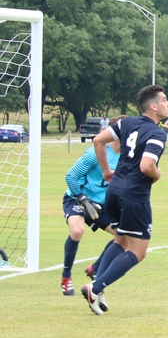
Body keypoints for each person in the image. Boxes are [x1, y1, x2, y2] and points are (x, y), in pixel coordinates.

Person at [81, 85, 168, 315]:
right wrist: (158, 174)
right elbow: (147, 166)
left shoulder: (127, 122)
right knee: (138, 252)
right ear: (153, 106)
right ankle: (96, 287)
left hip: (114, 190)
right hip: (134, 196)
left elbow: (98, 140)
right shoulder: (157, 133)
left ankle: (97, 289)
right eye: (164, 100)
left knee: (120, 241)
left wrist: (105, 171)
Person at [60, 115, 127, 296]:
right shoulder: (95, 153)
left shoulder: (127, 157)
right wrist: (82, 198)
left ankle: (95, 268)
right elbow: (71, 177)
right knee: (77, 231)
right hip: (77, 199)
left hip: (102, 205)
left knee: (124, 236)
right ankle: (66, 276)